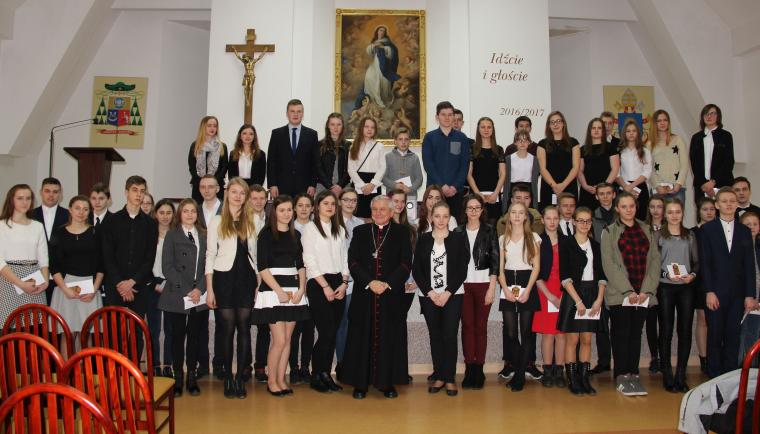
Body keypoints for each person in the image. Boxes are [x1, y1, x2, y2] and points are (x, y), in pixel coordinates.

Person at [340, 195, 413, 399]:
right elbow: (353, 261)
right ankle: (360, 383)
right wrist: (370, 282)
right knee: (361, 338)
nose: (378, 213)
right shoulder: (360, 231)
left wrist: (388, 284)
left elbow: (406, 263)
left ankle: (387, 383)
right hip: (364, 294)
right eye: (375, 209)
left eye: (383, 209)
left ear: (391, 211)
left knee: (389, 338)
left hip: (391, 296)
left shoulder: (401, 232)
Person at [600, 192, 660, 396]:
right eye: (624, 206)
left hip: (643, 294)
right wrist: (627, 291)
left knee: (636, 334)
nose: (628, 210)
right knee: (620, 334)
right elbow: (609, 264)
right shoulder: (609, 231)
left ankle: (633, 374)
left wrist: (646, 290)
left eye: (631, 206)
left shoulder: (646, 229)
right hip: (621, 294)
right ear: (617, 209)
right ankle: (621, 375)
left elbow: (655, 261)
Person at [205, 177, 258, 399]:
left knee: (244, 328)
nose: (238, 196)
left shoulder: (252, 220)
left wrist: (257, 282)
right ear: (227, 194)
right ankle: (227, 376)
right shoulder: (217, 221)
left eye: (242, 193)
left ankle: (239, 378)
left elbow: (256, 255)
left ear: (246, 197)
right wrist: (210, 289)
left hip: (247, 277)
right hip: (223, 278)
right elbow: (210, 255)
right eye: (234, 192)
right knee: (226, 329)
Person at [251, 195, 309, 397]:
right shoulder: (266, 235)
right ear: (274, 212)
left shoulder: (296, 235)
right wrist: (279, 291)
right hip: (273, 291)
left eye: (289, 210)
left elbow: (300, 264)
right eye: (282, 210)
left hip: (293, 291)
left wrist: (301, 289)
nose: (286, 213)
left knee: (288, 340)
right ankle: (272, 381)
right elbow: (262, 267)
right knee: (279, 340)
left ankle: (282, 379)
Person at [699, 187, 757, 378]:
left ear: (737, 204)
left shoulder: (744, 231)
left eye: (732, 201)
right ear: (717, 205)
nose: (729, 204)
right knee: (715, 335)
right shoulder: (707, 230)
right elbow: (705, 263)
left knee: (733, 336)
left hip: (738, 294)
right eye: (724, 201)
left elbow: (749, 265)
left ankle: (730, 377)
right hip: (715, 292)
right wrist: (709, 291)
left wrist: (750, 295)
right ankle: (714, 376)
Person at [413, 201, 469, 397]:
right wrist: (430, 292)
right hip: (429, 296)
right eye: (437, 216)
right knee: (435, 336)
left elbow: (462, 269)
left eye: (445, 216)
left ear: (450, 218)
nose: (441, 220)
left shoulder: (458, 239)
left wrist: (447, 292)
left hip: (452, 295)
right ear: (432, 217)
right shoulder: (423, 239)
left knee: (450, 336)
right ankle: (439, 375)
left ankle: (450, 378)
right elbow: (417, 270)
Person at [301, 191, 350, 393]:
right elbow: (309, 261)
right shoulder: (310, 228)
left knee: (333, 332)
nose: (330, 207)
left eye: (333, 204)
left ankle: (325, 374)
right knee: (326, 332)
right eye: (325, 203)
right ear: (317, 206)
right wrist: (325, 286)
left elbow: (344, 258)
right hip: (318, 283)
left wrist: (344, 283)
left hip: (338, 282)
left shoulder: (339, 229)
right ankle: (316, 375)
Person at [158, 198, 207, 397]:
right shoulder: (172, 235)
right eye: (185, 211)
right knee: (177, 338)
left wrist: (200, 289)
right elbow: (167, 266)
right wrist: (187, 289)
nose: (189, 214)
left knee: (195, 337)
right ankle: (177, 377)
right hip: (178, 293)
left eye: (193, 211)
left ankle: (192, 377)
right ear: (180, 214)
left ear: (197, 214)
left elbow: (209, 265)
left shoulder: (204, 234)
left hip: (198, 295)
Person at [557, 207, 606, 395]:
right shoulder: (566, 244)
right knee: (573, 339)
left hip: (592, 294)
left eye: (588, 221)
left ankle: (584, 378)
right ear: (574, 222)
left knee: (587, 339)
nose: (585, 224)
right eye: (581, 221)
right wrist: (577, 301)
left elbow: (601, 275)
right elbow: (565, 276)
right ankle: (573, 379)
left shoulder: (596, 245)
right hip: (573, 295)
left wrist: (599, 299)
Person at [455, 194, 498, 390]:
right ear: (465, 210)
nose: (473, 211)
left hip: (483, 285)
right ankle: (469, 367)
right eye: (470, 208)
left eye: (477, 208)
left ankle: (479, 368)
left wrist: (492, 288)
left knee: (481, 327)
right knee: (467, 327)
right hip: (463, 285)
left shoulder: (490, 230)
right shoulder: (457, 231)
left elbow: (495, 261)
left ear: (482, 210)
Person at [100, 176, 159, 320]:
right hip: (115, 285)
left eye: (142, 191)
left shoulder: (151, 224)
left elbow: (149, 258)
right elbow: (107, 256)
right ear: (126, 192)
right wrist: (121, 283)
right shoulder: (111, 221)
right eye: (135, 190)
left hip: (139, 286)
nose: (139, 194)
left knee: (137, 329)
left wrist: (132, 282)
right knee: (113, 329)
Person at [656, 198, 699, 393]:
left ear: (682, 213)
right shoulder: (658, 235)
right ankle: (667, 373)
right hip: (665, 287)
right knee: (666, 330)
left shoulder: (689, 235)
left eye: (678, 212)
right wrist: (665, 275)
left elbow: (696, 262)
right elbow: (653, 263)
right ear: (665, 214)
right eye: (670, 212)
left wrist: (692, 275)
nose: (674, 215)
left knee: (685, 330)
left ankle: (681, 373)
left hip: (685, 287)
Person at [498, 202, 542, 391]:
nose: (516, 216)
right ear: (508, 216)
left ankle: (520, 375)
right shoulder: (502, 239)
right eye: (513, 212)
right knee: (510, 333)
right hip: (508, 283)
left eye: (520, 213)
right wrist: (505, 289)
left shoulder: (533, 237)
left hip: (526, 282)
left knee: (526, 333)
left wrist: (528, 290)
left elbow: (536, 267)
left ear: (526, 216)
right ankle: (519, 369)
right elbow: (500, 269)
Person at [49, 195, 103, 339]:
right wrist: (64, 289)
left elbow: (101, 265)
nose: (81, 212)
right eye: (77, 208)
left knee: (88, 336)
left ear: (89, 211)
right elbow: (53, 265)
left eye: (85, 209)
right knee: (67, 335)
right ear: (70, 210)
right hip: (65, 288)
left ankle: (87, 356)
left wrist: (94, 289)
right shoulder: (59, 233)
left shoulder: (96, 232)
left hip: (90, 288)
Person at [0, 184, 48, 326]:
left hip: (35, 280)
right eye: (20, 198)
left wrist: (45, 281)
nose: (25, 202)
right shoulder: (2, 225)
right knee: (10, 327)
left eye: (28, 198)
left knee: (35, 327)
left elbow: (43, 258)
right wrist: (20, 284)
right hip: (10, 280)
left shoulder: (37, 226)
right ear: (11, 200)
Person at [533, 206, 566, 388]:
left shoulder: (567, 241)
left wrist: (565, 295)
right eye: (549, 218)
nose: (552, 222)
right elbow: (535, 272)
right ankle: (547, 370)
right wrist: (550, 296)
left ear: (559, 220)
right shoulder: (537, 241)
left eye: (555, 218)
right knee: (547, 334)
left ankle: (559, 371)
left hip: (564, 290)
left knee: (561, 334)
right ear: (543, 220)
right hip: (544, 290)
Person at [422, 101, 471, 221]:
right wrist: (441, 186)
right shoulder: (429, 137)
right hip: (435, 192)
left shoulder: (462, 138)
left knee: (454, 224)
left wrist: (454, 187)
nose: (447, 118)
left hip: (456, 192)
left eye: (450, 114)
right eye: (443, 114)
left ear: (454, 116)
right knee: (433, 222)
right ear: (437, 117)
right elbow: (428, 165)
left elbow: (464, 165)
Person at [196, 174, 222, 379]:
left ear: (218, 188)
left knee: (222, 322)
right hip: (199, 271)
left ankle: (219, 363)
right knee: (200, 321)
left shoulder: (227, 210)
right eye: (203, 187)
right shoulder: (193, 210)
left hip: (221, 270)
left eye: (210, 186)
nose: (207, 190)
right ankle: (202, 363)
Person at [335, 188, 366, 366]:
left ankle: (354, 363)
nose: (350, 203)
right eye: (346, 200)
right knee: (342, 324)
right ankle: (342, 363)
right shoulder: (332, 222)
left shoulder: (360, 223)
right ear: (339, 201)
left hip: (358, 281)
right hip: (340, 281)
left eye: (353, 200)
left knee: (357, 323)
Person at [589, 182, 616, 376]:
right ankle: (604, 360)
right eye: (602, 194)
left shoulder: (622, 215)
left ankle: (621, 362)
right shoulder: (592, 218)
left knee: (620, 323)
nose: (605, 197)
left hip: (620, 275)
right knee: (601, 322)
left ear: (614, 195)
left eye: (608, 193)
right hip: (599, 273)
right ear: (596, 196)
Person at [267, 99, 319, 198]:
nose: (296, 114)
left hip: (305, 187)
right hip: (281, 187)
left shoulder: (312, 134)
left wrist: (313, 184)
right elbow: (271, 161)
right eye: (292, 111)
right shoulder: (277, 134)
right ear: (287, 114)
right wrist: (272, 184)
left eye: (299, 111)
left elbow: (315, 162)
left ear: (303, 114)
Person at [289, 193, 315, 384]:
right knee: (293, 330)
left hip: (313, 282)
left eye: (307, 205)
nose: (304, 209)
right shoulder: (288, 229)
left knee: (308, 328)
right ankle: (293, 368)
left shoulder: (317, 228)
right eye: (300, 205)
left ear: (313, 208)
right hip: (293, 283)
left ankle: (305, 366)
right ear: (294, 208)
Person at [147, 199, 175, 378]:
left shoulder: (177, 235)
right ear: (155, 214)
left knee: (171, 328)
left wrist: (170, 283)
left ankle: (168, 365)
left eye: (169, 213)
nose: (165, 217)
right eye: (161, 213)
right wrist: (153, 283)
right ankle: (155, 364)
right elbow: (144, 262)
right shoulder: (149, 235)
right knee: (154, 329)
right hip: (152, 284)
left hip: (172, 285)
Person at [246, 184, 270, 384]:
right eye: (254, 198)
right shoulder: (242, 222)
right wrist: (255, 277)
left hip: (268, 278)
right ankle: (245, 364)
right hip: (247, 277)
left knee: (264, 326)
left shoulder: (271, 220)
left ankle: (261, 365)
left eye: (262, 198)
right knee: (245, 324)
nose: (259, 202)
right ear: (249, 200)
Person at [31, 177, 69, 304]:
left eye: (55, 191)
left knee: (57, 313)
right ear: (41, 192)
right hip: (35, 274)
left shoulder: (69, 215)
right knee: (36, 312)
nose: (51, 195)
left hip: (61, 275)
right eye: (47, 191)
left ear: (60, 194)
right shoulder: (29, 215)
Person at [689, 104, 734, 203]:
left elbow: (728, 161)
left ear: (718, 116)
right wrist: (704, 184)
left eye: (712, 113)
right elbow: (694, 163)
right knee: (703, 211)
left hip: (722, 184)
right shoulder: (696, 138)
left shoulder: (726, 136)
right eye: (706, 114)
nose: (709, 116)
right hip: (702, 186)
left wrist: (713, 182)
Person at [537, 111, 580, 211]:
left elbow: (576, 167)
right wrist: (555, 186)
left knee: (569, 213)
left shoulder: (573, 142)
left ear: (563, 123)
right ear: (549, 126)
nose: (555, 124)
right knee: (550, 214)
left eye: (558, 121)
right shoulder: (542, 144)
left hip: (569, 185)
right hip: (549, 186)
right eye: (552, 122)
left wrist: (563, 185)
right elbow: (542, 169)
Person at [467, 117, 506, 222]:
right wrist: (477, 193)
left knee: (493, 224)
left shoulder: (499, 149)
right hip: (476, 194)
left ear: (493, 129)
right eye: (483, 127)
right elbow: (469, 174)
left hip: (494, 195)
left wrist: (496, 193)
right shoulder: (472, 149)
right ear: (478, 129)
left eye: (489, 127)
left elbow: (503, 174)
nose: (486, 130)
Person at [693, 196, 716, 374]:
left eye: (711, 209)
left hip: (720, 281)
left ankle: (716, 357)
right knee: (703, 320)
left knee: (718, 321)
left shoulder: (721, 230)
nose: (708, 212)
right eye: (705, 209)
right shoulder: (693, 232)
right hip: (699, 280)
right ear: (699, 212)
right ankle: (704, 359)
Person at [347, 117, 386, 218]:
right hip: (358, 182)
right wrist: (361, 185)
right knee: (357, 215)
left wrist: (372, 184)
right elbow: (351, 169)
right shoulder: (353, 146)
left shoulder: (379, 146)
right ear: (361, 128)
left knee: (374, 215)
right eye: (366, 127)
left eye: (372, 127)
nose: (369, 129)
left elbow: (382, 167)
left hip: (374, 183)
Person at [647, 110, 688, 203]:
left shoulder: (678, 140)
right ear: (654, 123)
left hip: (677, 188)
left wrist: (678, 184)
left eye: (665, 120)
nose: (662, 123)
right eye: (659, 121)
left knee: (676, 213)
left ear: (668, 122)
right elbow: (649, 168)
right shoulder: (650, 144)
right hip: (658, 189)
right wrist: (657, 186)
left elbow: (684, 164)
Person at [578, 118, 620, 210]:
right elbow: (579, 170)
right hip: (588, 190)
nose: (596, 130)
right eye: (593, 128)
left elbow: (615, 169)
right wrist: (585, 185)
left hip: (606, 192)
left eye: (599, 128)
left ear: (603, 131)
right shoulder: (582, 149)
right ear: (589, 131)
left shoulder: (611, 148)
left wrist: (604, 187)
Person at [644, 195, 665, 374]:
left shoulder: (671, 227)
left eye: (659, 206)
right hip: (648, 281)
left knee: (665, 322)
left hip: (667, 281)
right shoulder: (643, 227)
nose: (656, 210)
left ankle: (664, 357)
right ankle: (654, 357)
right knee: (651, 323)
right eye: (652, 206)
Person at [616, 119, 652, 221]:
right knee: (624, 218)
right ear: (624, 133)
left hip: (640, 187)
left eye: (634, 131)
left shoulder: (645, 151)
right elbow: (616, 173)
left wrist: (631, 186)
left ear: (638, 133)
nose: (631, 133)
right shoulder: (619, 151)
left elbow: (647, 171)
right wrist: (626, 187)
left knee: (641, 218)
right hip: (624, 187)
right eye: (628, 131)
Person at [188, 116, 228, 203]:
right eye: (209, 125)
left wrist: (213, 182)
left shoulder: (222, 146)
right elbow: (192, 167)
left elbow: (224, 167)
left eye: (215, 126)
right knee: (199, 209)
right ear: (203, 127)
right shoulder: (195, 145)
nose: (212, 128)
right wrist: (201, 182)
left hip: (216, 186)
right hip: (199, 185)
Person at [738, 211, 760, 366]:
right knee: (747, 339)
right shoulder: (738, 249)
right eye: (747, 224)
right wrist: (750, 297)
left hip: (758, 300)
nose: (752, 227)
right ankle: (745, 373)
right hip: (747, 301)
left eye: (755, 224)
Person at [362, 25, 399, 108]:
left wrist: (383, 47)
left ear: (385, 33)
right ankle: (373, 99)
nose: (381, 32)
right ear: (377, 32)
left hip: (384, 64)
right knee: (369, 77)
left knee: (383, 81)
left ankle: (382, 100)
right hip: (374, 63)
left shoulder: (387, 42)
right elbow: (368, 51)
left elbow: (392, 53)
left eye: (383, 31)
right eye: (380, 30)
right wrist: (373, 46)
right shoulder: (374, 41)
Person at [314, 113, 350, 196]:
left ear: (342, 126)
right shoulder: (319, 145)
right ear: (328, 126)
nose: (335, 128)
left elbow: (350, 169)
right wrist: (330, 186)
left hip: (343, 187)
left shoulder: (348, 146)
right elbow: (318, 168)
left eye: (339, 124)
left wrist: (340, 185)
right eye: (332, 124)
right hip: (323, 186)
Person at [382, 127, 423, 198]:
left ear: (409, 141)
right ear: (395, 141)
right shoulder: (388, 157)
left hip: (410, 195)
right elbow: (383, 178)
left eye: (406, 139)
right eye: (400, 139)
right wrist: (395, 185)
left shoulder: (415, 158)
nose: (403, 142)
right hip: (393, 195)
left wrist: (410, 189)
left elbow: (419, 179)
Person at [503, 129, 539, 207]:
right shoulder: (508, 159)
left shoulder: (534, 159)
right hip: (513, 188)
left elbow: (535, 181)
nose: (522, 143)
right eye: (519, 140)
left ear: (529, 142)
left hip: (528, 188)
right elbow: (506, 181)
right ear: (515, 142)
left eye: (525, 140)